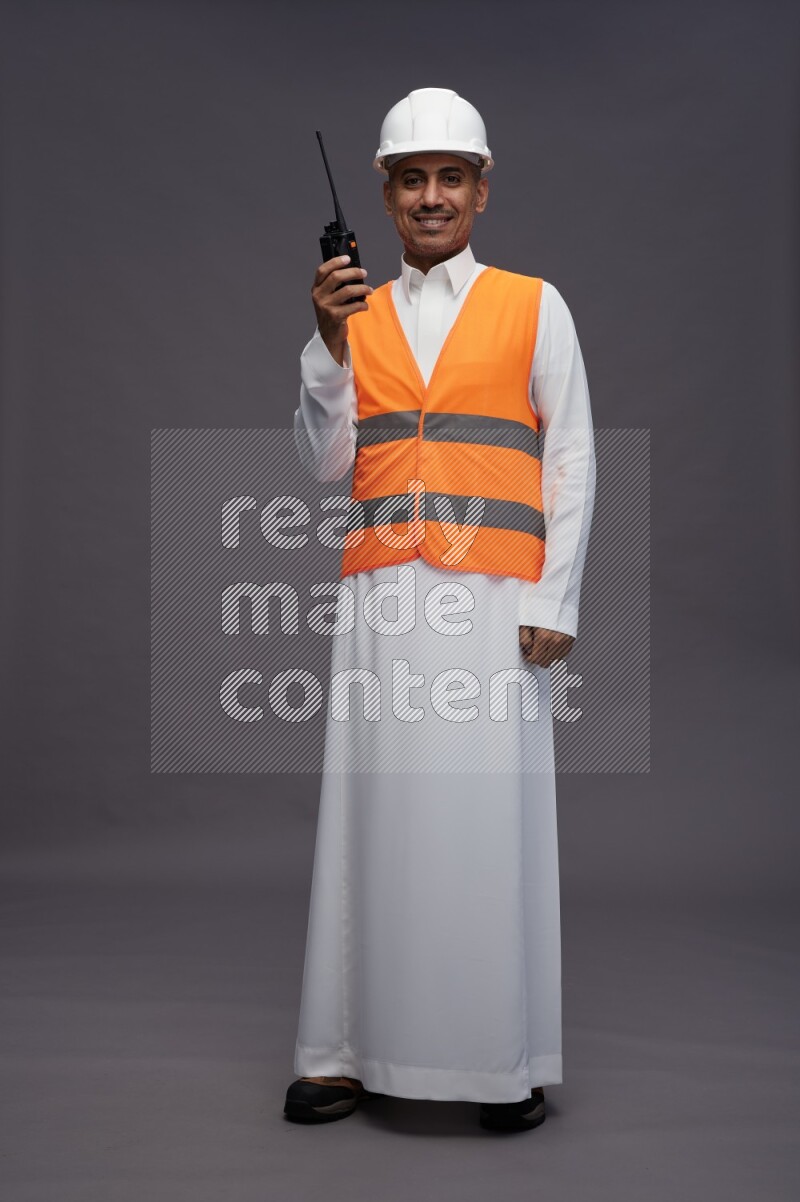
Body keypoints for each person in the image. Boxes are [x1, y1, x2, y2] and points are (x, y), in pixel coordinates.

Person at [284, 87, 596, 1131]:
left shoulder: (533, 302)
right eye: (410, 178)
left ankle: (496, 1061)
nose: (430, 196)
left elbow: (571, 455)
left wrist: (558, 595)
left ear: (479, 189)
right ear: (382, 192)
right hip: (383, 594)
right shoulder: (350, 315)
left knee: (483, 819)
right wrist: (325, 351)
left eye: (448, 177)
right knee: (368, 811)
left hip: (496, 596)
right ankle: (340, 1051)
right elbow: (327, 459)